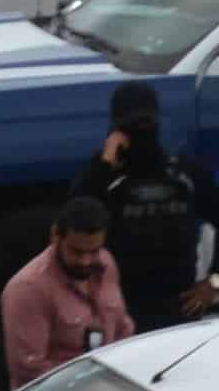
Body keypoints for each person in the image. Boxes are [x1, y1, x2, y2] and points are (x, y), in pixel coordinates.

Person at [87, 87, 211, 329]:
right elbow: (75, 217)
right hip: (121, 307)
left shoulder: (182, 172)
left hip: (178, 310)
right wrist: (106, 162)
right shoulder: (104, 174)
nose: (141, 131)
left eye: (147, 122)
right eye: (133, 123)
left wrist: (214, 282)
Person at [3, 189, 136, 387]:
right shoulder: (27, 289)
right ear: (56, 235)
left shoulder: (106, 262)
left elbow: (123, 329)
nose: (85, 261)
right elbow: (30, 371)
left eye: (94, 251)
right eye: (76, 252)